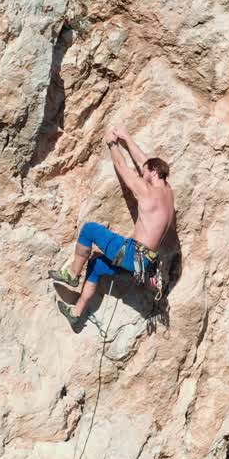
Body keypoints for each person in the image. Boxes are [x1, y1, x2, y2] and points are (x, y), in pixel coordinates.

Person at [49, 126, 175, 327]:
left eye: (144, 173)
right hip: (144, 266)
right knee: (97, 266)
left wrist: (112, 144)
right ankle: (76, 312)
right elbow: (146, 162)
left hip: (132, 254)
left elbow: (121, 166)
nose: (142, 175)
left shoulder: (146, 191)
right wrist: (127, 138)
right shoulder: (168, 193)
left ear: (153, 173)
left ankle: (72, 275)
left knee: (89, 229)